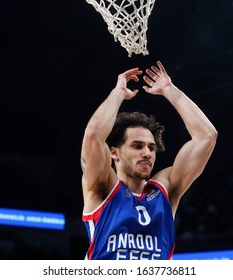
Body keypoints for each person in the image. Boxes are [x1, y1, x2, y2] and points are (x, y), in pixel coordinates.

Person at [80, 61, 217, 260]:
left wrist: (170, 90)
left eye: (151, 148)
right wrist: (118, 93)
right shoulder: (103, 186)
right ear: (114, 153)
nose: (147, 153)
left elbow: (207, 136)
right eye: (137, 146)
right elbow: (93, 135)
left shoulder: (165, 190)